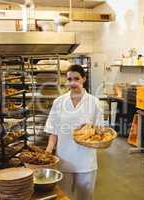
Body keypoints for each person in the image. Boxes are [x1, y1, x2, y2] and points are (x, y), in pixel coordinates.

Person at [44, 64, 104, 200]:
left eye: (76, 78)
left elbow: (99, 132)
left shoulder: (94, 103)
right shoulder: (59, 102)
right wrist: (47, 154)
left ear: (84, 79)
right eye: (69, 79)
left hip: (86, 161)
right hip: (64, 159)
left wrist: (95, 140)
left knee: (86, 197)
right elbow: (53, 131)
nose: (73, 83)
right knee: (63, 197)